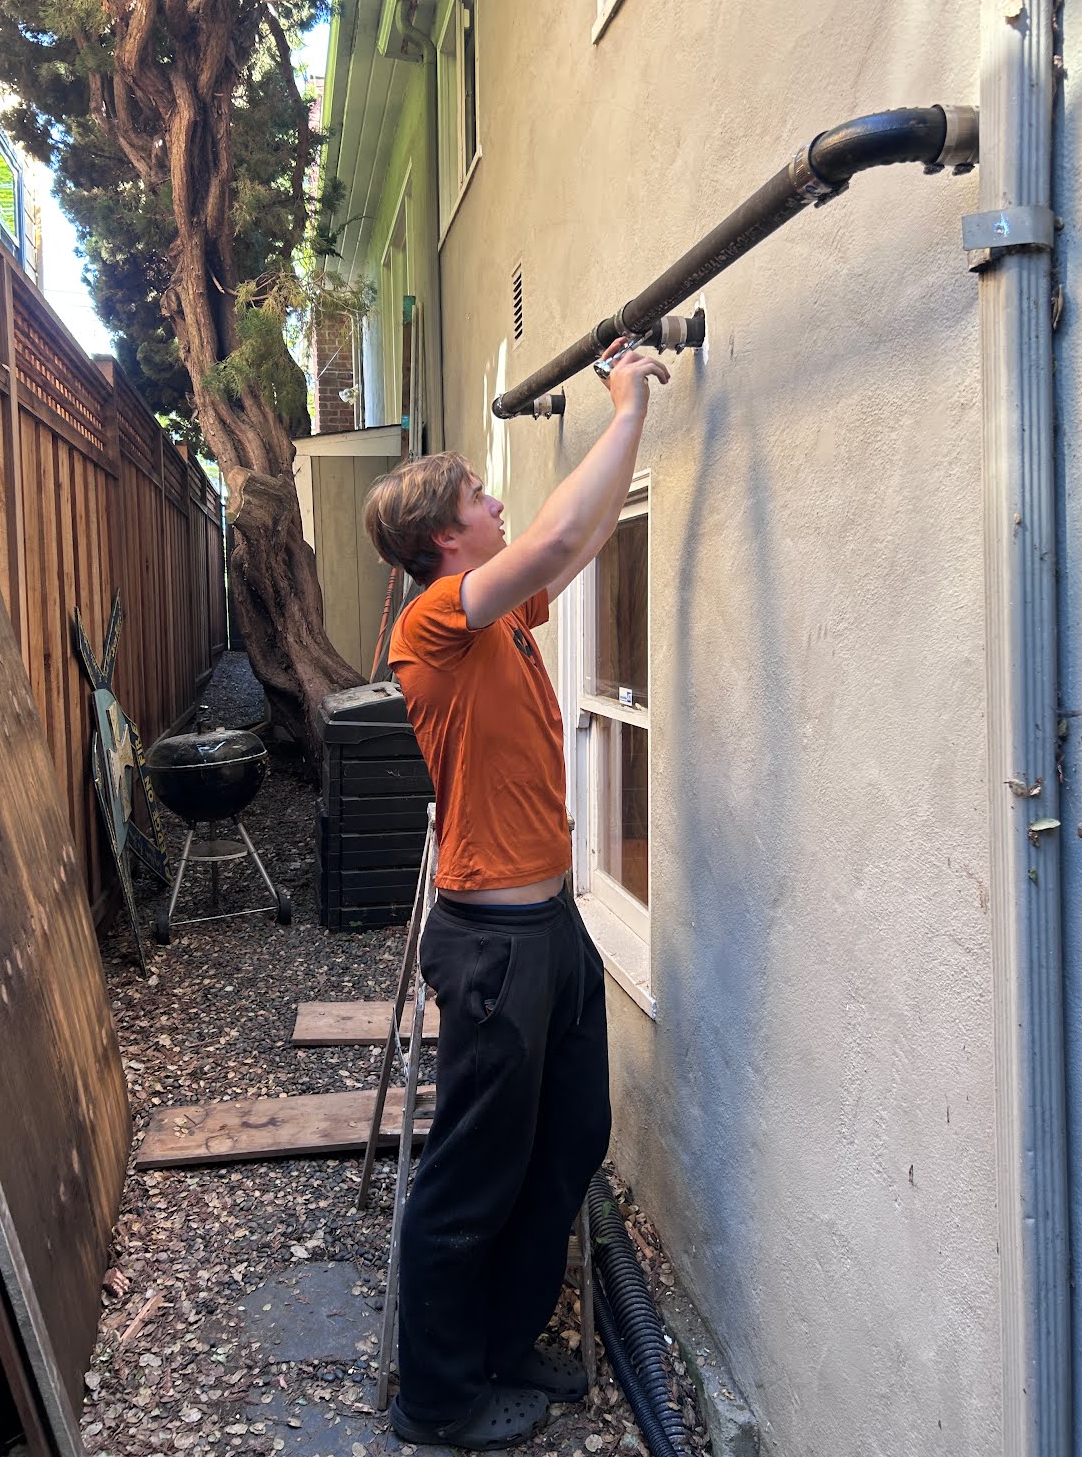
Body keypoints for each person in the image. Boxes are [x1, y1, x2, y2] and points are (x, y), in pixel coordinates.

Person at [360, 343, 668, 1449]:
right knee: (471, 1171)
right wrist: (622, 404)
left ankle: (504, 1338)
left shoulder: (499, 620)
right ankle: (437, 1399)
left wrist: (634, 424)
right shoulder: (433, 622)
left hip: (554, 928)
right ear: (446, 536)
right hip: (493, 942)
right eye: (480, 497)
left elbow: (577, 540)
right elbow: (547, 537)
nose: (498, 505)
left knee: (571, 1134)